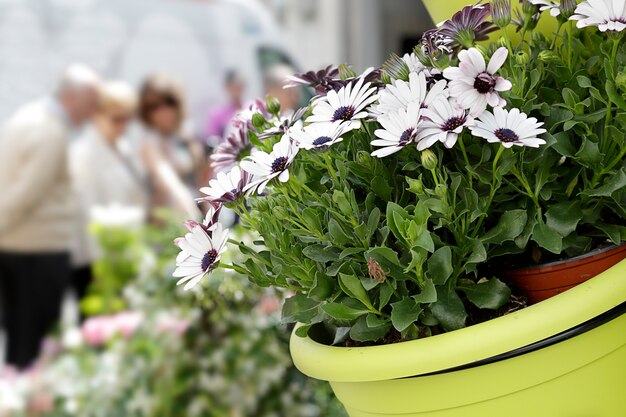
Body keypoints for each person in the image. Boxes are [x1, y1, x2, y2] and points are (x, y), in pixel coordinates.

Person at [0, 64, 99, 369]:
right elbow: (26, 193)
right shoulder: (50, 131)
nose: (94, 111)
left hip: (19, 248)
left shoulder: (28, 117)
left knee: (19, 343)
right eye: (91, 102)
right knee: (33, 350)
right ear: (72, 98)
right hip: (38, 253)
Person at [69, 81, 147, 301]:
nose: (122, 126)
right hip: (96, 264)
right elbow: (86, 216)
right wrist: (100, 270)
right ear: (95, 114)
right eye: (116, 119)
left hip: (125, 253)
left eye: (127, 119)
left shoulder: (123, 147)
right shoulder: (83, 154)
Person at [138, 73, 202, 219]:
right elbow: (166, 176)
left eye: (168, 102)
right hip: (168, 223)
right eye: (154, 106)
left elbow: (200, 179)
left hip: (194, 215)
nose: (163, 111)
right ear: (146, 112)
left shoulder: (185, 135)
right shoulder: (150, 141)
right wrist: (188, 207)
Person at [205, 70, 245, 143]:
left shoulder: (253, 106)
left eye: (238, 85)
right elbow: (213, 141)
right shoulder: (216, 115)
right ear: (226, 88)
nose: (236, 89)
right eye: (232, 86)